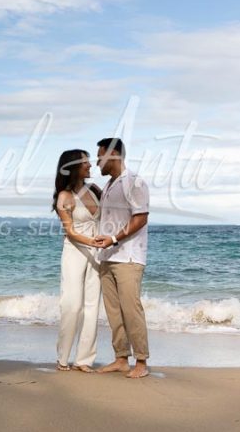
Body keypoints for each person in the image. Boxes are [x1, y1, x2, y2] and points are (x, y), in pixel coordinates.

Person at [93, 137, 151, 378]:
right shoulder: (108, 186)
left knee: (131, 310)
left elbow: (141, 218)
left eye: (100, 157)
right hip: (108, 256)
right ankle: (121, 358)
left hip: (128, 257)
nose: (97, 162)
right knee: (114, 312)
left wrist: (113, 239)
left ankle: (141, 362)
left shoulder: (134, 182)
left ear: (114, 155)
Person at [52, 149, 102, 373]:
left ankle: (84, 360)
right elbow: (70, 232)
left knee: (92, 307)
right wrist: (93, 242)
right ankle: (62, 358)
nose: (90, 165)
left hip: (97, 254)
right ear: (73, 167)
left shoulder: (95, 190)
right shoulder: (65, 196)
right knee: (72, 306)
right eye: (85, 162)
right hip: (75, 252)